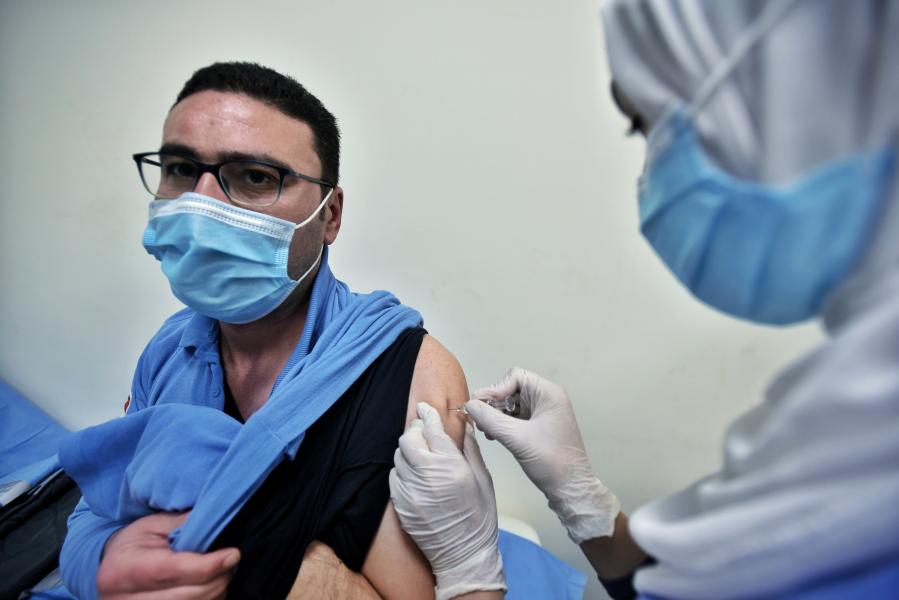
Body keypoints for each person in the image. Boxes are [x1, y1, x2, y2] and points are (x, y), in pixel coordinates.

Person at [389, 1, 899, 598]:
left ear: (791, 89)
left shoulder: (870, 434)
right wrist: (582, 501)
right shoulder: (862, 411)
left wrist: (469, 572)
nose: (652, 176)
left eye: (646, 124)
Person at [58, 62, 503, 600]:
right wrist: (104, 559)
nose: (201, 204)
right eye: (181, 168)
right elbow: (97, 512)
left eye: (255, 177)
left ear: (329, 216)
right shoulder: (170, 352)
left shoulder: (411, 373)